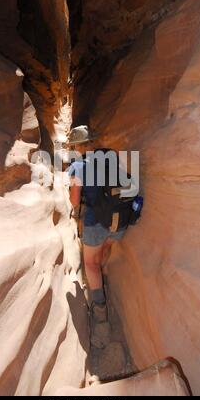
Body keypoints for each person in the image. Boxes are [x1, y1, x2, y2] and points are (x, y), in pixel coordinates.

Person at [68, 126, 129, 328]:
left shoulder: (78, 166)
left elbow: (75, 201)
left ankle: (100, 308)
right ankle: (103, 277)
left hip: (97, 223)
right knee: (105, 248)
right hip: (120, 220)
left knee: (90, 264)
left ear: (77, 145)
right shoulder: (111, 156)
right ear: (94, 140)